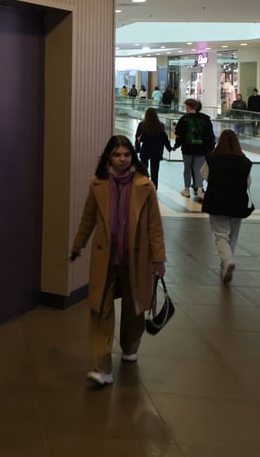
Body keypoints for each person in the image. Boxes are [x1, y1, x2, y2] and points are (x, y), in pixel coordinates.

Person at [71, 135, 166, 386]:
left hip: (137, 259)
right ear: (109, 157)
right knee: (99, 309)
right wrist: (78, 243)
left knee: (135, 308)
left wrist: (159, 259)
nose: (122, 159)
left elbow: (155, 226)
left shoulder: (145, 185)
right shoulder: (98, 184)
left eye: (126, 154)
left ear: (132, 156)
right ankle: (101, 367)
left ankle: (130, 346)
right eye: (117, 155)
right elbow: (88, 218)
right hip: (107, 259)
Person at [201, 130, 253, 284]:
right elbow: (248, 182)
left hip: (217, 201)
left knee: (221, 235)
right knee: (233, 235)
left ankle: (227, 261)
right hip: (238, 202)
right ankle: (225, 264)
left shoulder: (212, 158)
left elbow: (204, 175)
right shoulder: (245, 161)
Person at [173, 98, 215, 201]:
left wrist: (176, 145)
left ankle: (186, 189)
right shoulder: (205, 119)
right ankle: (200, 189)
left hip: (187, 148)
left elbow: (179, 134)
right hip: (201, 149)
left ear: (187, 107)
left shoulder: (184, 119)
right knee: (198, 169)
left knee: (187, 169)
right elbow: (210, 135)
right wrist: (210, 148)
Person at [135, 108, 172, 189]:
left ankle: (144, 184)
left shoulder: (142, 125)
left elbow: (138, 138)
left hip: (146, 150)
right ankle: (154, 187)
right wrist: (169, 148)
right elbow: (164, 138)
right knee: (155, 170)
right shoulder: (160, 125)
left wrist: (137, 148)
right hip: (157, 151)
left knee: (143, 169)